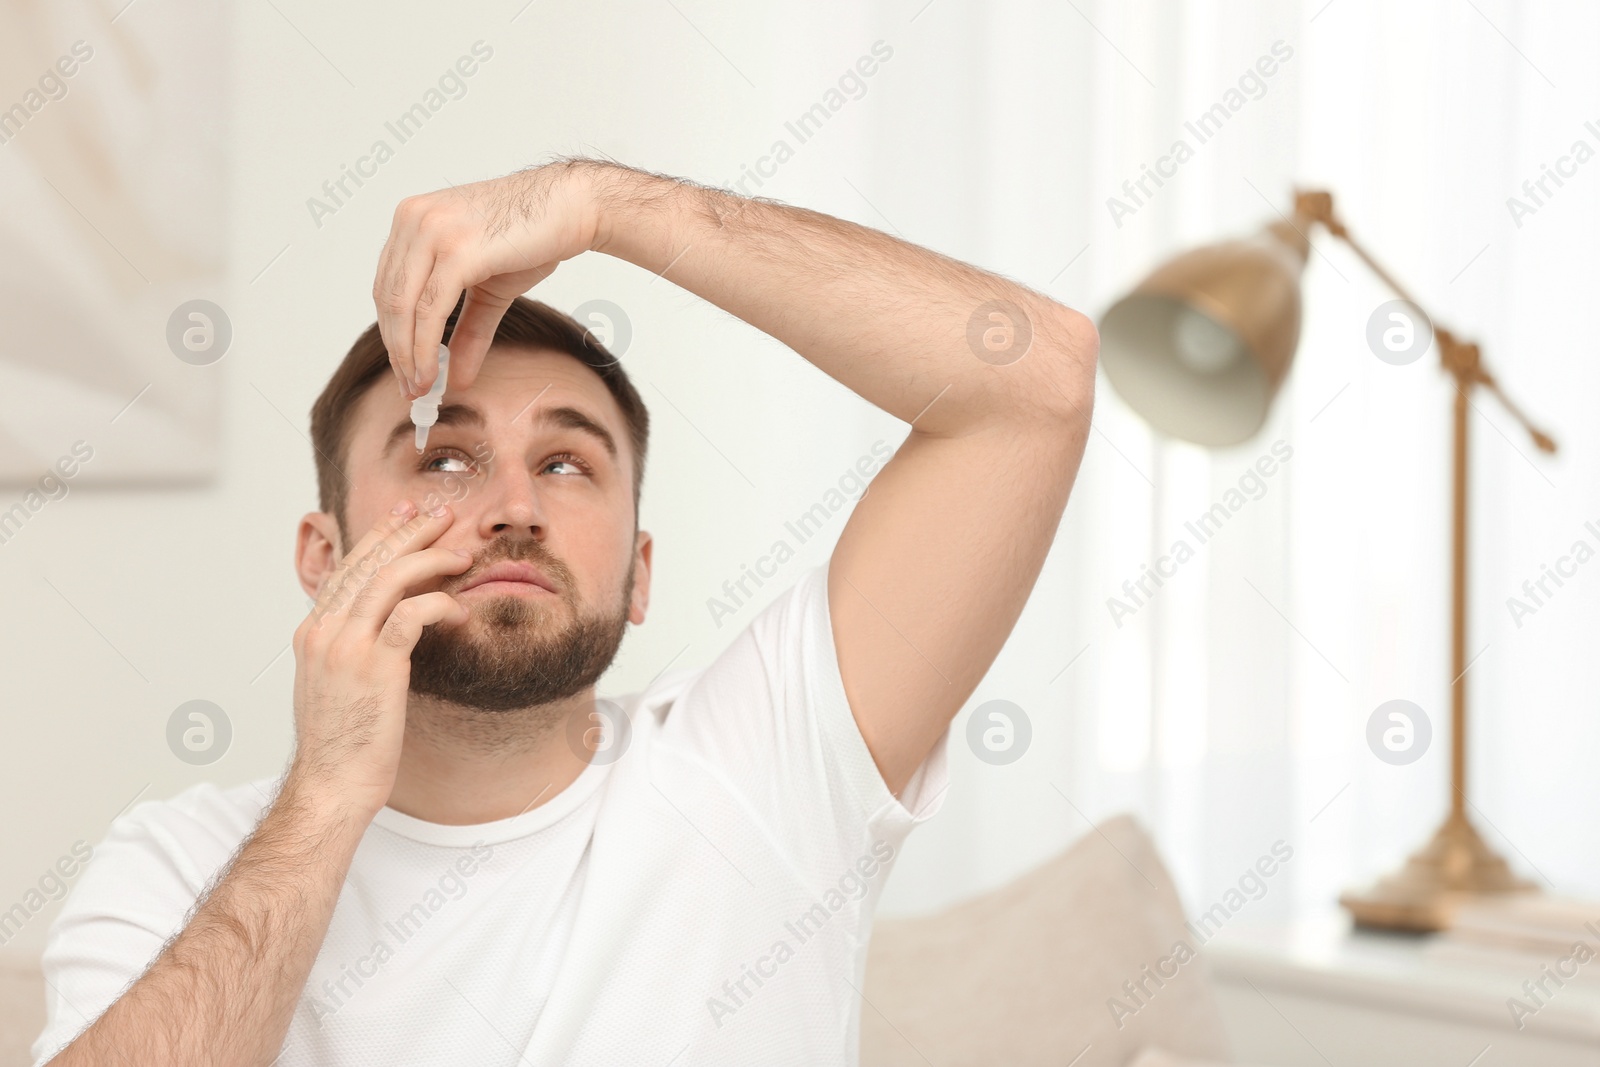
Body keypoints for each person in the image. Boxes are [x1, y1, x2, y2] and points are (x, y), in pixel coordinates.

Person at [33, 157, 1097, 1066]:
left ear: (639, 574)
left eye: (566, 462)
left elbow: (1034, 379)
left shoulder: (760, 770)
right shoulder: (179, 860)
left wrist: (602, 204)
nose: (514, 508)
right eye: (445, 456)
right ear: (327, 557)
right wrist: (326, 796)